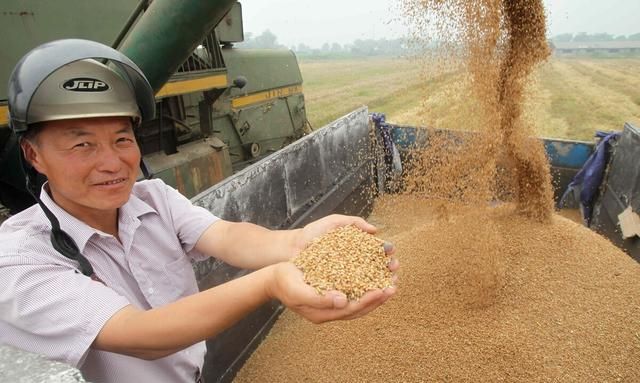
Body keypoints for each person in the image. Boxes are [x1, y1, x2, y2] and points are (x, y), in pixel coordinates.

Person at [0, 39, 398, 382]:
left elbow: (227, 236)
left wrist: (299, 241)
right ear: (33, 154)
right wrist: (271, 282)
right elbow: (138, 333)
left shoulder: (152, 198)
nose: (112, 162)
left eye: (122, 139)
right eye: (82, 145)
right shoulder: (19, 259)